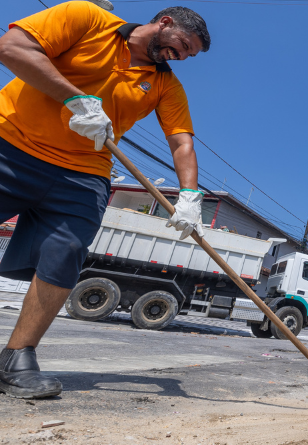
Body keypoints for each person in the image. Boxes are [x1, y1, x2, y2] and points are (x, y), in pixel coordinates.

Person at [0, 2, 211, 399]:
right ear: (164, 23)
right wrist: (75, 99)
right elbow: (12, 47)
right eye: (181, 45)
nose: (180, 57)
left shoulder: (165, 84)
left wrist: (189, 196)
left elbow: (181, 141)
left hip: (84, 170)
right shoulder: (86, 18)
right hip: (10, 142)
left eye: (188, 56)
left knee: (68, 250)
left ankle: (17, 357)